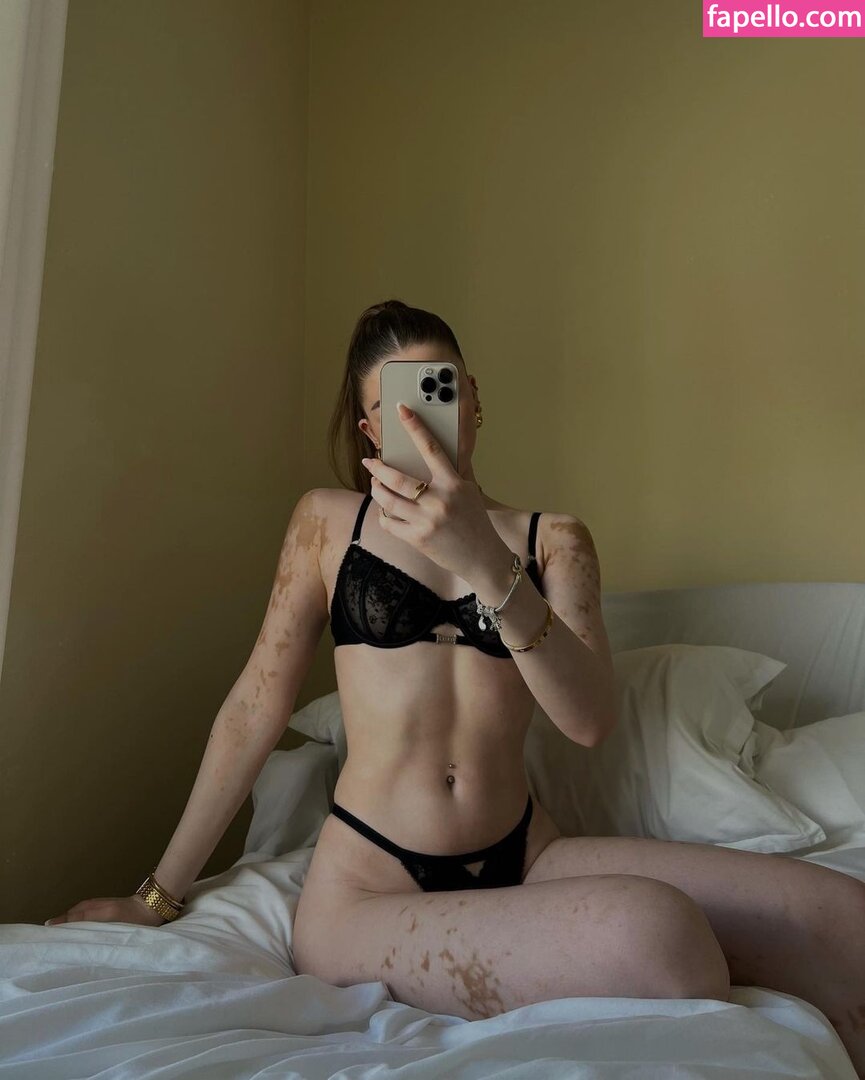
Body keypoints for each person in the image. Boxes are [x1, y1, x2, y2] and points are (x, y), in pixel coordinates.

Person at [44, 302, 865, 1075]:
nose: (419, 419)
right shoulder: (327, 525)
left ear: (472, 399)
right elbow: (256, 706)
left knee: (843, 918)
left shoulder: (553, 540)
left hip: (526, 857)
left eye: (436, 391)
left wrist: (483, 559)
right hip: (366, 891)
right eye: (392, 406)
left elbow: (587, 720)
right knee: (662, 938)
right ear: (368, 429)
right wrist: (156, 897)